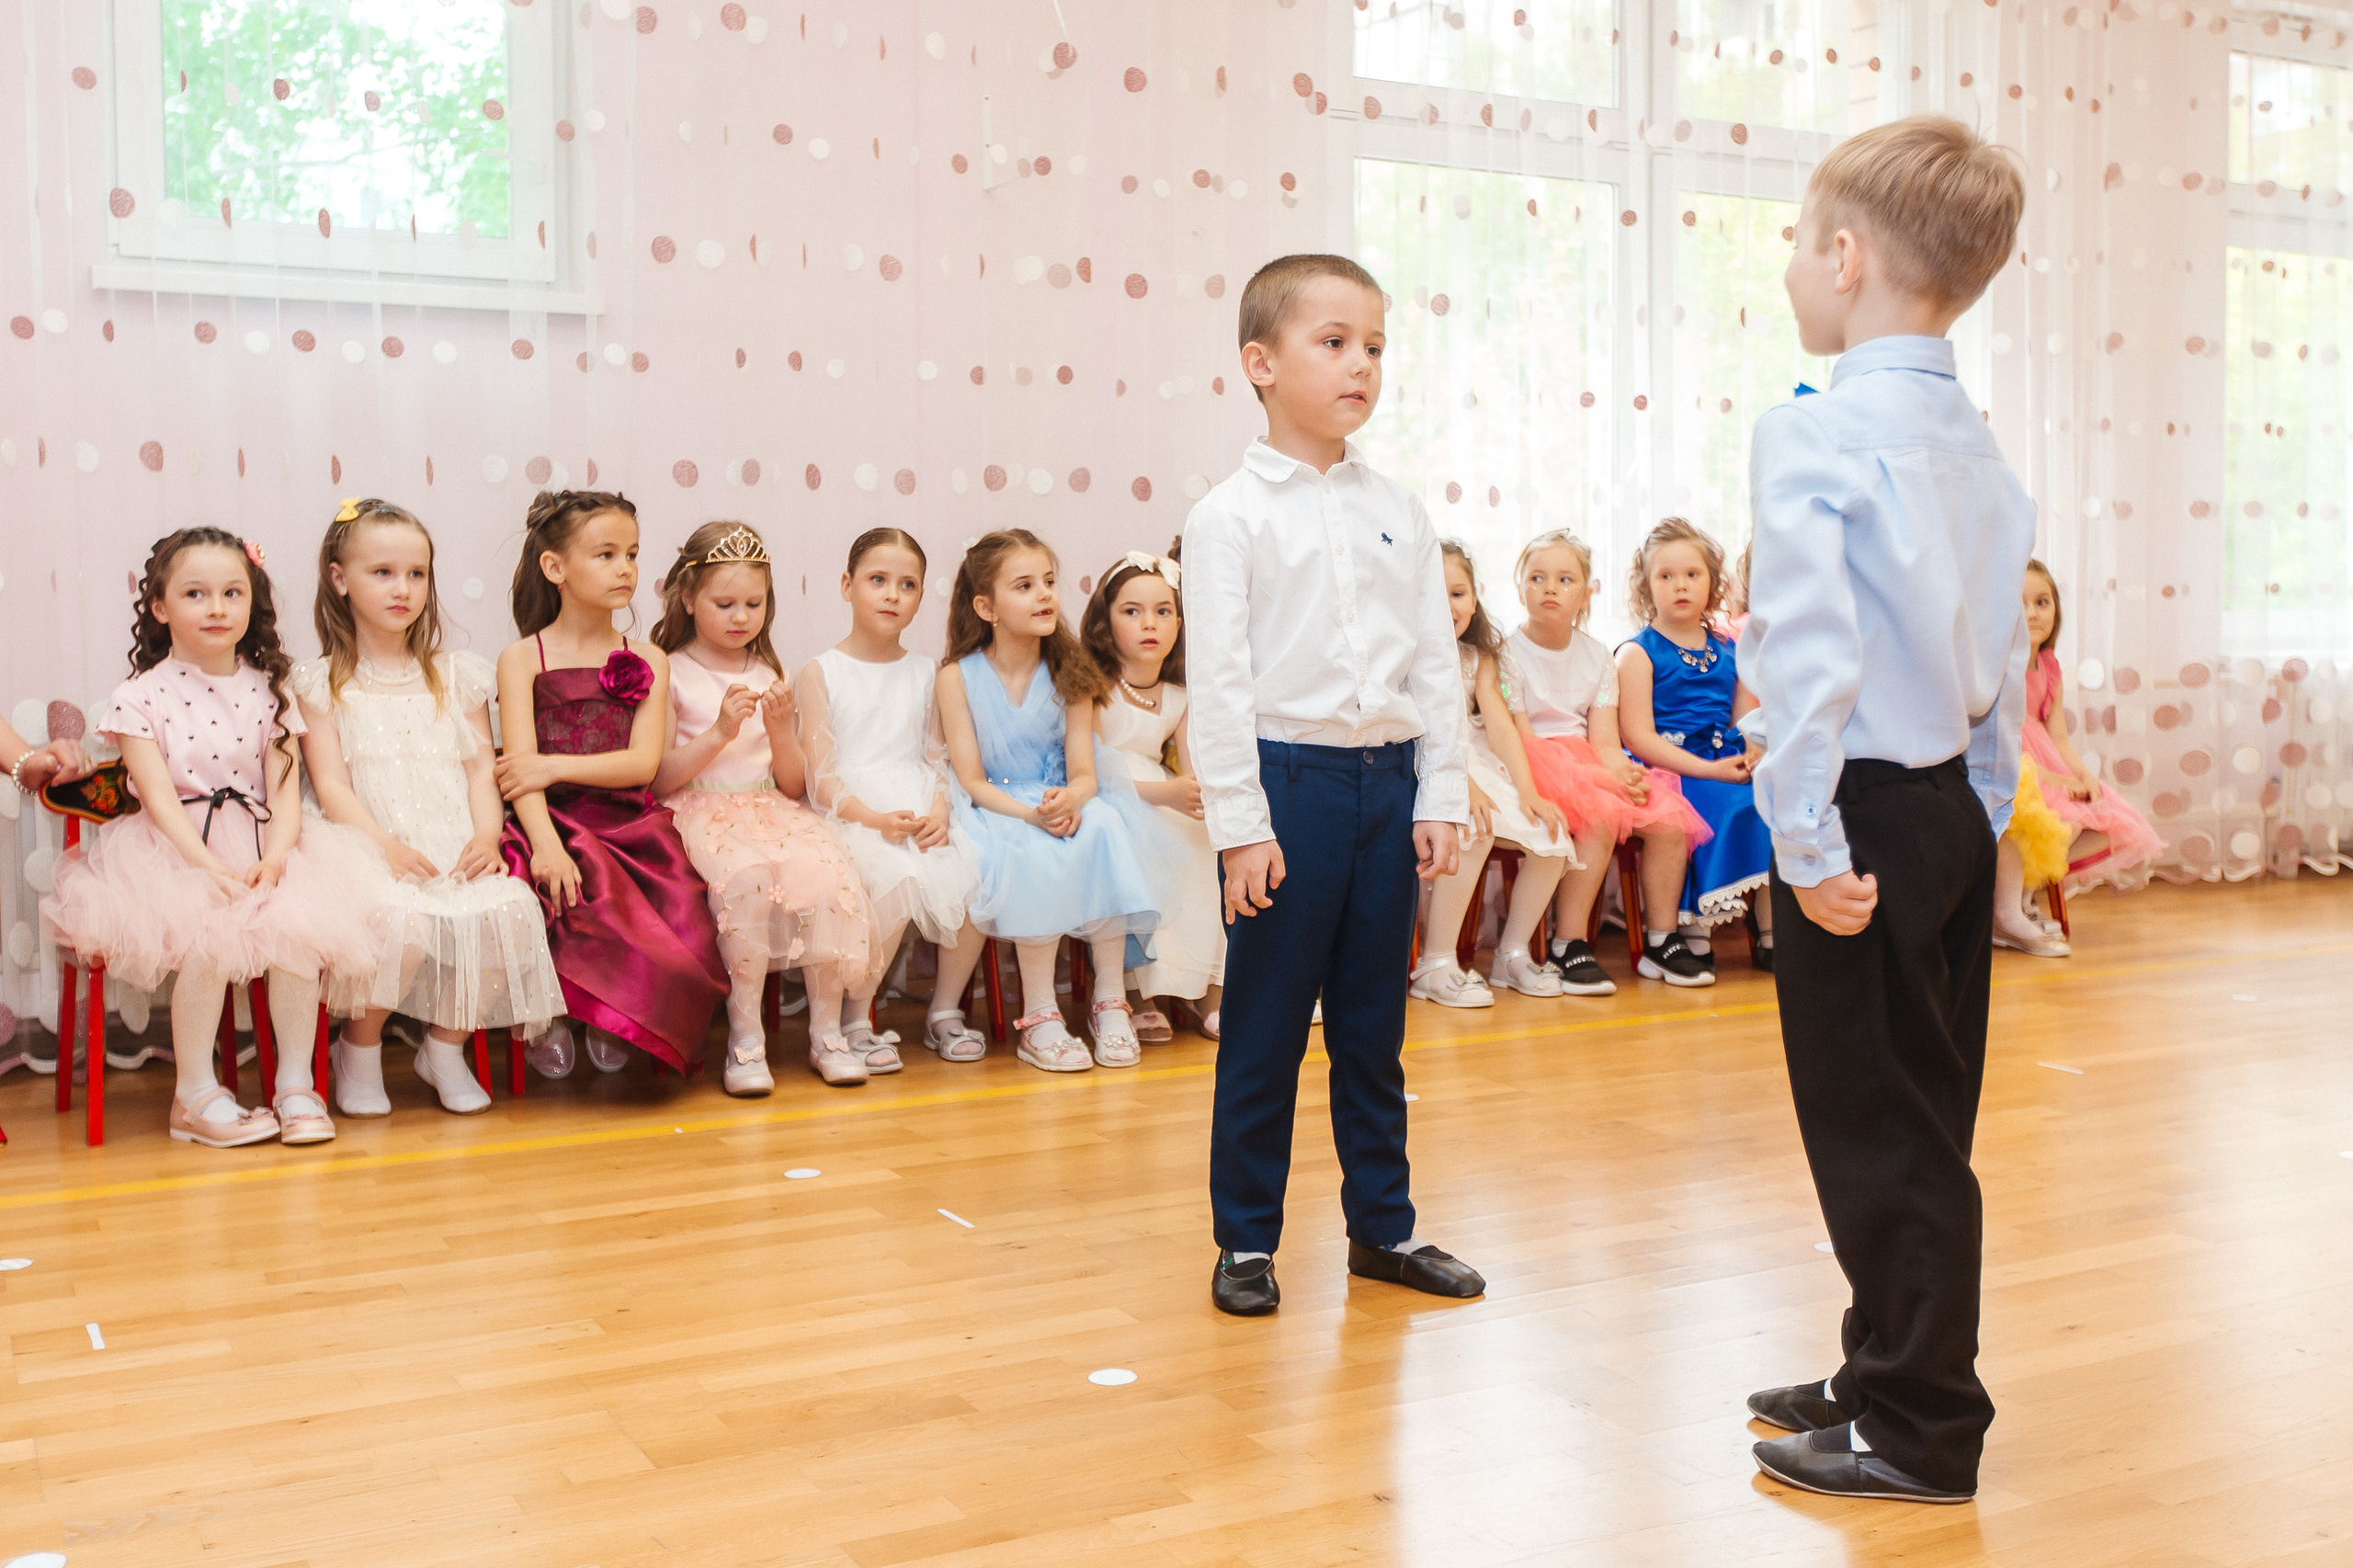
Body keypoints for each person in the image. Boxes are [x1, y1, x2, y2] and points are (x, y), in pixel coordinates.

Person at [1739, 115, 2034, 1505]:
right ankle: (1882, 1361)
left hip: (1854, 810)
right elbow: (2006, 663)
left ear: (1847, 258)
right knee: (1926, 1106)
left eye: (1801, 242)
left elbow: (1808, 654)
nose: (1793, 267)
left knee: (1873, 1121)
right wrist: (1979, 810)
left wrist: (1804, 841)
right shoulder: (1979, 447)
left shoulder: (1814, 438)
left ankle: (1918, 1423)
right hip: (1946, 815)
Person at [1183, 252, 1484, 1317]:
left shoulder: (1397, 507)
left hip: (1385, 785)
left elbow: (1434, 666)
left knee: (1373, 1023)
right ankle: (1247, 1240)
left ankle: (1383, 1229)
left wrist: (1439, 791)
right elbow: (1216, 687)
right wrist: (1240, 827)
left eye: (1374, 346)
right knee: (1265, 1022)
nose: (1360, 364)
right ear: (1260, 364)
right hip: (1288, 784)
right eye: (1334, 342)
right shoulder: (1227, 518)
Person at [41, 528, 382, 1147]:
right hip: (175, 850)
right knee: (207, 932)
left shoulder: (270, 690)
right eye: (196, 594)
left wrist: (277, 860)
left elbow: (284, 793)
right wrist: (206, 868)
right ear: (161, 608)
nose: (218, 608)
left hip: (263, 843)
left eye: (233, 592)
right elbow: (162, 802)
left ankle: (296, 1086)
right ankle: (194, 1095)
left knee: (296, 935)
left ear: (253, 603)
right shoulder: (139, 697)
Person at [296, 498, 563, 1118]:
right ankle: (357, 1050)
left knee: (510, 911)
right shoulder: (319, 683)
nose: (403, 589)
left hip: (450, 834)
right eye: (383, 572)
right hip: (365, 838)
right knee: (398, 923)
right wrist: (382, 848)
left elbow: (478, 770)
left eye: (416, 574)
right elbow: (331, 785)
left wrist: (490, 835)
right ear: (340, 579)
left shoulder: (455, 674)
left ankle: (445, 1046)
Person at [494, 490, 727, 1078]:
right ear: (556, 569)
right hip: (543, 819)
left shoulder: (647, 655)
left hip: (627, 822)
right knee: (546, 886)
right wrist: (545, 844)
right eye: (605, 555)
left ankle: (625, 1012)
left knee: (684, 912)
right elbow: (520, 776)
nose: (625, 568)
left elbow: (642, 764)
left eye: (632, 554)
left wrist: (552, 765)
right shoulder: (522, 657)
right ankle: (555, 1014)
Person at [653, 520, 875, 1091]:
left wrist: (780, 729)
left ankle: (827, 1034)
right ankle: (746, 1039)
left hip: (771, 810)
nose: (740, 617)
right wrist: (719, 732)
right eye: (724, 603)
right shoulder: (670, 671)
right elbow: (657, 779)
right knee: (744, 881)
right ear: (687, 598)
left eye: (754, 603)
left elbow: (795, 784)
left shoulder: (771, 671)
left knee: (827, 875)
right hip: (700, 812)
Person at [936, 529, 1166, 1072]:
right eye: (1024, 585)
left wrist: (1071, 800)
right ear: (986, 606)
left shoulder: (1072, 671)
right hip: (997, 808)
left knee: (1105, 826)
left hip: (1063, 800)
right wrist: (1029, 814)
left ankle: (1111, 1003)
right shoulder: (955, 678)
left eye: (1048, 582)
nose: (1044, 595)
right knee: (1023, 848)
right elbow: (971, 779)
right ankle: (1039, 1016)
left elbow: (1085, 773)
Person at [797, 529, 991, 1063]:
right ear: (846, 585)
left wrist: (940, 812)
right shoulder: (820, 672)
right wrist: (875, 819)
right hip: (854, 813)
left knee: (976, 872)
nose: (891, 595)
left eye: (907, 585)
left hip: (917, 802)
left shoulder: (929, 673)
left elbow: (939, 758)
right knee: (891, 874)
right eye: (877, 580)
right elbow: (823, 778)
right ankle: (856, 1019)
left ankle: (945, 1010)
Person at [1504, 531, 1708, 994]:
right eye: (1537, 578)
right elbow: (1518, 733)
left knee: (1669, 819)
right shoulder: (1507, 652)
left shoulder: (1598, 656)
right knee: (1598, 816)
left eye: (1564, 579)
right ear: (1519, 589)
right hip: (1530, 759)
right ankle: (1568, 942)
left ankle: (1662, 938)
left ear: (1586, 591)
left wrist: (1620, 772)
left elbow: (1604, 739)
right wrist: (1598, 779)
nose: (1550, 588)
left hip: (1587, 759)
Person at [1413, 541, 1575, 1006]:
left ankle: (1512, 954)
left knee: (1552, 835)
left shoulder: (1478, 657)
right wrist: (1460, 785)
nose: (1448, 607)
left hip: (1478, 760)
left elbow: (1501, 727)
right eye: (1434, 594)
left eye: (1458, 594)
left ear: (1475, 597)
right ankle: (1435, 962)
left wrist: (1528, 791)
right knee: (1472, 828)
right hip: (1424, 763)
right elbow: (1418, 733)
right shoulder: (1404, 655)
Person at [1614, 517, 1776, 973]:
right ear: (1646, 588)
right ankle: (1690, 929)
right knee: (1718, 805)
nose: (1679, 586)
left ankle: (1772, 931)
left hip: (1721, 758)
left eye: (1692, 574)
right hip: (1667, 767)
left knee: (1770, 797)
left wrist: (1752, 755)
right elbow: (1638, 737)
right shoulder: (1637, 652)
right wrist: (1710, 771)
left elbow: (1744, 720)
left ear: (1712, 581)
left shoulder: (1729, 647)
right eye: (1665, 577)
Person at [1079, 547, 1226, 1040]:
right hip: (1107, 798)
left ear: (1180, 624)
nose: (1150, 624)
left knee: (1204, 846)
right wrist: (1166, 796)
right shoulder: (1095, 687)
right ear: (1106, 623)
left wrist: (1200, 795)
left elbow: (1189, 764)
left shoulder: (1181, 696)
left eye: (1163, 612)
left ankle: (1203, 987)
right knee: (1137, 850)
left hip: (1159, 794)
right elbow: (1088, 772)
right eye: (1132, 611)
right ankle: (1137, 992)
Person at [1992, 559, 2165, 955]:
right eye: (2021, 604)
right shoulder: (2002, 668)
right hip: (2016, 765)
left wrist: (2084, 778)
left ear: (2056, 610)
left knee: (2108, 822)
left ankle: (2023, 894)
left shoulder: (2050, 667)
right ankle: (2010, 904)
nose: (2033, 613)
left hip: (2047, 761)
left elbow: (2059, 737)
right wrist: (2055, 783)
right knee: (2055, 821)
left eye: (2043, 602)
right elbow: (2003, 740)